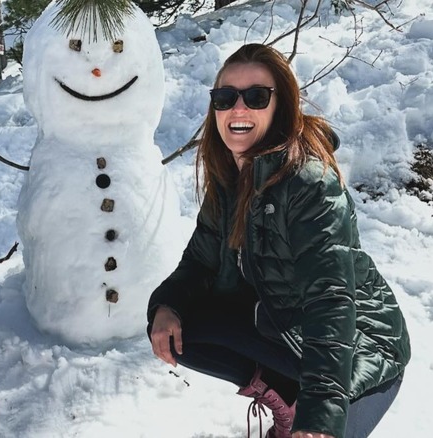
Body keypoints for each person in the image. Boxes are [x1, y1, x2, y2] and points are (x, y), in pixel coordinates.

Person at [147, 43, 410, 438]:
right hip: (288, 333)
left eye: (256, 96)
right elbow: (199, 264)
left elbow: (331, 302)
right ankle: (286, 396)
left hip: (357, 349)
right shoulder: (229, 178)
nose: (238, 109)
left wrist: (320, 414)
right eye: (225, 97)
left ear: (280, 106)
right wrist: (166, 305)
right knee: (177, 326)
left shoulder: (309, 184)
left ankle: (309, 401)